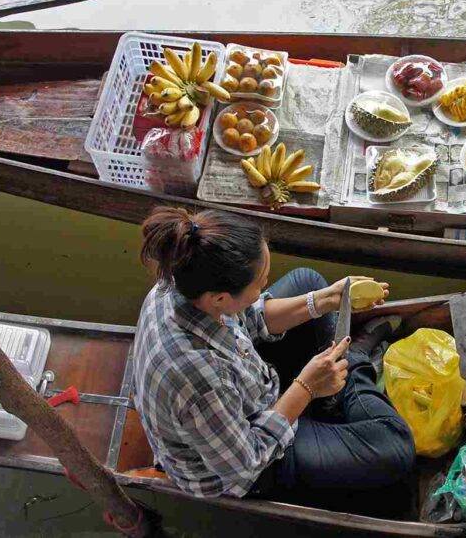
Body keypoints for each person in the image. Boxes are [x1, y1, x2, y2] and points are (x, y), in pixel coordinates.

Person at [131, 206, 415, 499]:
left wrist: (325, 299)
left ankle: (340, 377)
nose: (266, 284)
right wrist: (307, 387)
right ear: (220, 298)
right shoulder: (199, 379)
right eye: (260, 282)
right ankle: (355, 360)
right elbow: (247, 464)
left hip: (242, 389)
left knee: (307, 281)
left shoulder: (181, 276)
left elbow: (246, 316)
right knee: (395, 444)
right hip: (247, 461)